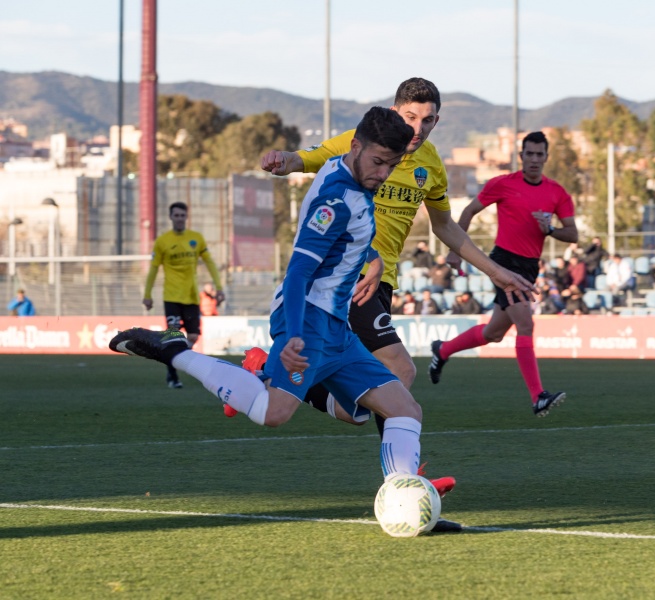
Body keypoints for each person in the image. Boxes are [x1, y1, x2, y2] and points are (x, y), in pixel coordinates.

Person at [109, 107, 456, 528]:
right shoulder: (335, 201)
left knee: (403, 409)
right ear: (356, 147)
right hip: (307, 321)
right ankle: (176, 351)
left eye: (392, 165)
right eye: (378, 162)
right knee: (273, 414)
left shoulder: (342, 173)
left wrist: (372, 259)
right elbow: (297, 273)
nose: (383, 173)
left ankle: (404, 505)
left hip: (335, 326)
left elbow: (346, 234)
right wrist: (293, 335)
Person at [260, 77, 534, 428]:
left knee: (357, 410)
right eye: (409, 117)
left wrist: (494, 271)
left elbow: (445, 226)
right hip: (349, 274)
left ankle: (269, 376)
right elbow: (308, 158)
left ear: (437, 121)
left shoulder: (432, 165)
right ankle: (403, 474)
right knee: (400, 369)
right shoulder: (363, 141)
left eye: (427, 120)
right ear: (394, 112)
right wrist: (284, 160)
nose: (417, 128)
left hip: (383, 279)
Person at [429, 130, 578, 417]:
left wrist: (551, 230)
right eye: (529, 154)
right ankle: (538, 397)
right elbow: (469, 211)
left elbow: (573, 234)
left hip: (530, 266)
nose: (534, 159)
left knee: (494, 333)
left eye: (539, 154)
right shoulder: (503, 184)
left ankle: (443, 350)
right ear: (521, 156)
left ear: (546, 157)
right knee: (526, 325)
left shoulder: (557, 192)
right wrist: (454, 250)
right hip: (503, 262)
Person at [143, 202, 225, 389]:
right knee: (173, 336)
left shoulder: (196, 239)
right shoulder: (163, 241)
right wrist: (147, 295)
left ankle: (176, 360)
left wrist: (219, 287)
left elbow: (210, 263)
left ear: (186, 217)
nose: (179, 219)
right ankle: (172, 375)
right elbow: (154, 269)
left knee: (194, 336)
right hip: (171, 296)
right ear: (170, 217)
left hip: (191, 297)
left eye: (182, 215)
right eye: (176, 215)